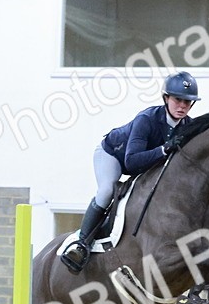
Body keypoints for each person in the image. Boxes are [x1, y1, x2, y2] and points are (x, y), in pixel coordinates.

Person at [60, 70, 200, 273]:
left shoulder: (188, 126)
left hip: (144, 166)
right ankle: (81, 243)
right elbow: (132, 162)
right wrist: (163, 149)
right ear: (166, 98)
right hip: (114, 155)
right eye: (178, 100)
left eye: (187, 102)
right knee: (107, 190)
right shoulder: (147, 119)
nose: (182, 106)